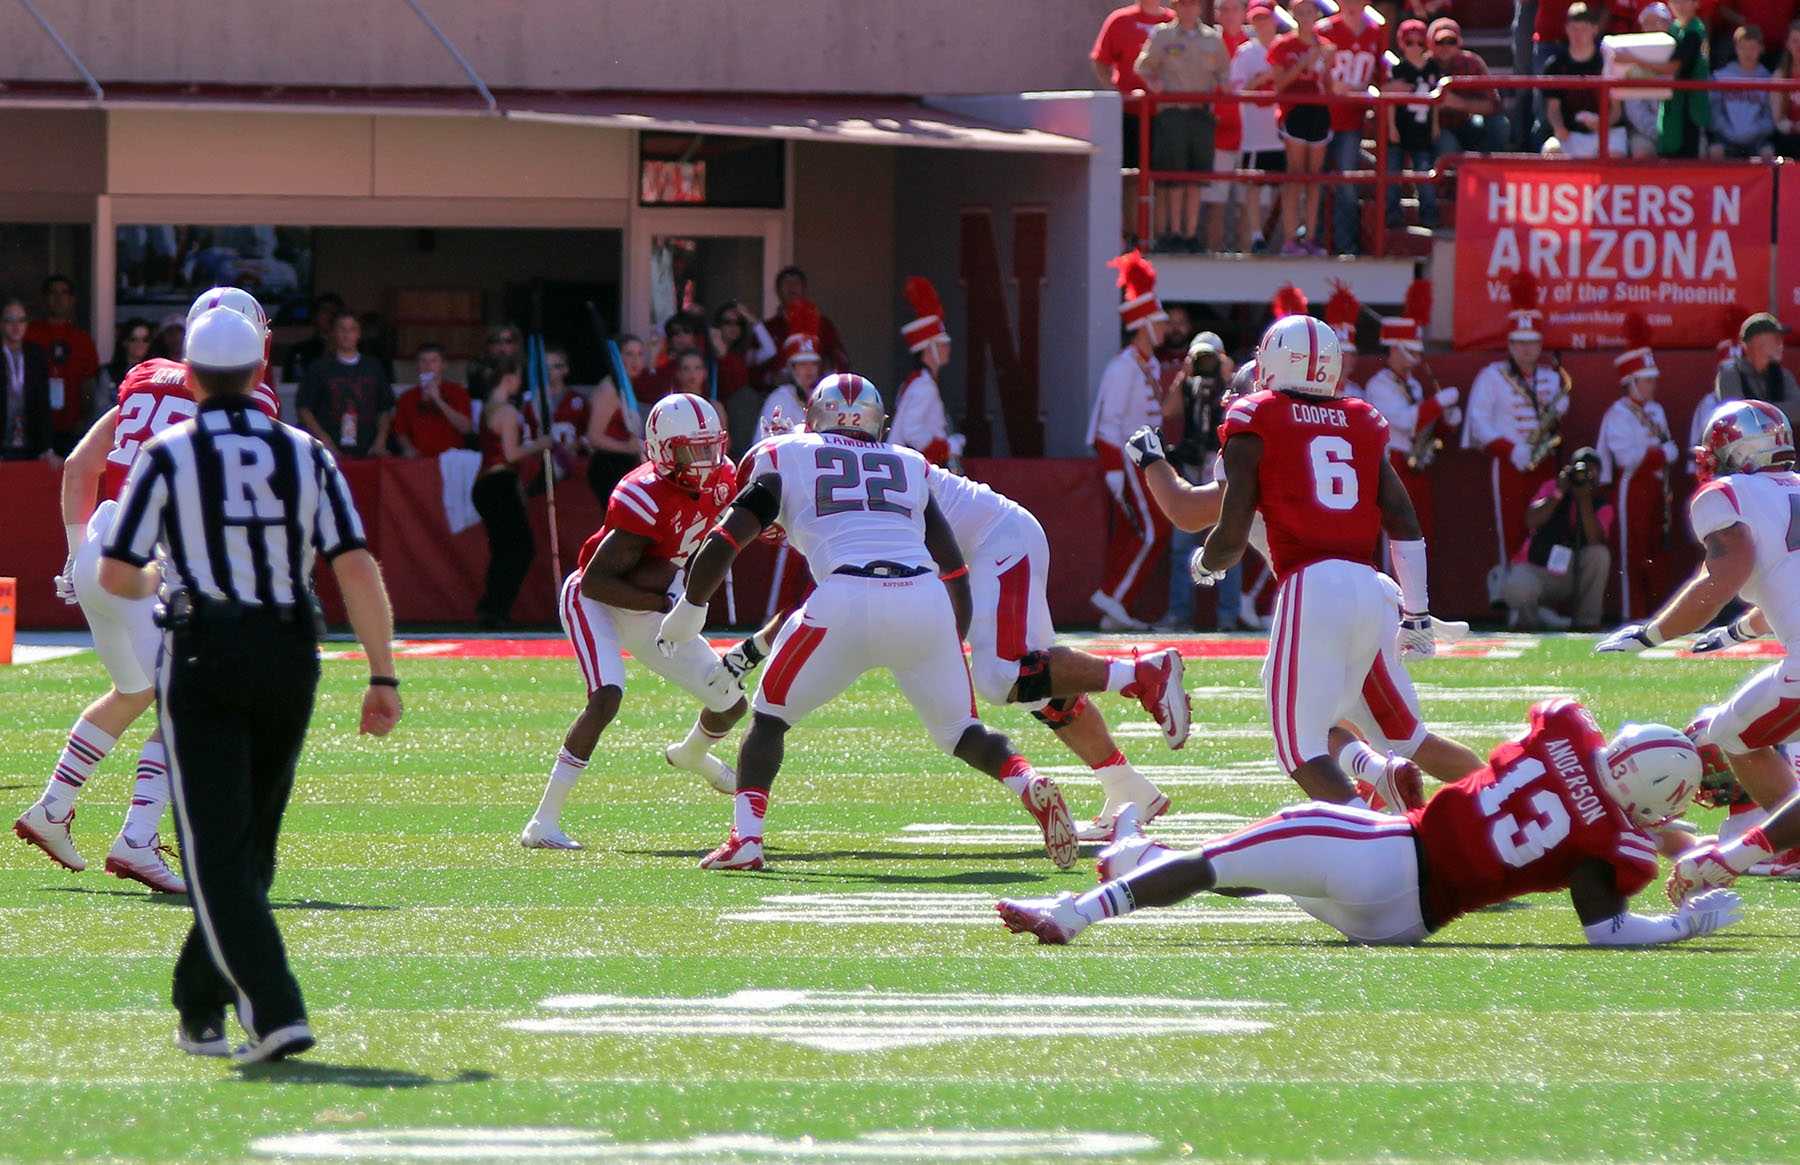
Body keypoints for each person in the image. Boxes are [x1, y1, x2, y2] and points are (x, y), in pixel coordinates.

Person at [97, 305, 401, 1064]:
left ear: (192, 376)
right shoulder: (306, 451)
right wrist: (382, 671)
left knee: (216, 850)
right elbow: (356, 563)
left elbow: (115, 571)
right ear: (263, 371)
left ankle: (273, 1010)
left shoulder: (168, 451)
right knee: (253, 843)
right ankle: (201, 1004)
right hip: (291, 648)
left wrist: (163, 574)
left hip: (204, 645)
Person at [655, 375, 1078, 873]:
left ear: (812, 417)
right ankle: (1027, 781)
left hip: (845, 595)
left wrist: (689, 611)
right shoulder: (907, 462)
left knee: (769, 719)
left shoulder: (783, 453)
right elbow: (954, 567)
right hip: (922, 596)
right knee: (961, 730)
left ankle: (746, 839)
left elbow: (726, 542)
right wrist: (951, 634)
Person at [995, 701, 1740, 952]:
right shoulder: (1618, 846)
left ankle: (1074, 912)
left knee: (1227, 861)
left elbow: (1562, 741)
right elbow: (1607, 931)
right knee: (1267, 870)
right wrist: (1686, 925)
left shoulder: (1568, 731)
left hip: (1389, 852)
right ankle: (1136, 855)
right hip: (1406, 921)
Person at [13, 288, 282, 894]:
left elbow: (82, 466)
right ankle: (137, 839)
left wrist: (75, 549)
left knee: (135, 690)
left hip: (101, 549)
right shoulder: (251, 398)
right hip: (156, 564)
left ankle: (52, 810)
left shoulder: (143, 377)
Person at [1180, 314, 1473, 802]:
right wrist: (1417, 612)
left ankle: (1364, 837)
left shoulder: (1257, 417)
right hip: (1371, 585)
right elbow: (1403, 519)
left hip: (1311, 586)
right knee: (1403, 737)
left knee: (1298, 748)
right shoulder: (1361, 418)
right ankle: (1502, 801)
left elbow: (1230, 534)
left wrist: (1206, 566)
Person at [521, 394, 746, 849]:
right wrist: (667, 603)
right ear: (664, 450)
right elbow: (596, 583)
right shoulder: (641, 494)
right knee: (607, 696)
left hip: (654, 602)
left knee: (731, 703)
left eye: (710, 447)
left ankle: (692, 755)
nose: (706, 460)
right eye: (692, 450)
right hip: (597, 602)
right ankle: (542, 824)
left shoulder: (724, 478)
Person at [1598, 400, 1800, 824]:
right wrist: (1736, 634)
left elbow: (1720, 582)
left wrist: (1651, 633)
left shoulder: (1727, 495)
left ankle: (1791, 846)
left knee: (1731, 734)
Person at [1463, 281, 1569, 601]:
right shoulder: (1492, 376)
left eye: (1533, 343)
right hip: (1509, 465)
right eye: (1520, 343)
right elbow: (1479, 423)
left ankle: (1539, 597)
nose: (1526, 349)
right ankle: (1510, 597)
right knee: (1509, 528)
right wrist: (1511, 449)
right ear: (1509, 344)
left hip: (1543, 462)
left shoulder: (1552, 377)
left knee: (1546, 528)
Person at [1088, 252, 1174, 631]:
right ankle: (1115, 597)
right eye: (1157, 322)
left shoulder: (1150, 365)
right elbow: (1109, 424)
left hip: (1149, 455)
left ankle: (1114, 599)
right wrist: (1113, 471)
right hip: (1129, 455)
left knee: (1147, 530)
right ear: (1142, 324)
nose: (1164, 328)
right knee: (1154, 529)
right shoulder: (1122, 367)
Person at [1362, 291, 1460, 542]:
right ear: (1395, 349)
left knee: (1421, 529)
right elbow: (1406, 421)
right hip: (1393, 462)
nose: (1416, 358)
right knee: (1394, 532)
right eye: (1410, 351)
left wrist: (1447, 421)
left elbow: (1423, 427)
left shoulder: (1415, 385)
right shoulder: (1379, 384)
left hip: (1418, 463)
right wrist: (1438, 402)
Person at [1134, 0, 1231, 253]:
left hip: (1201, 113)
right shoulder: (1163, 35)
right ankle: (1173, 232)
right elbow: (1143, 67)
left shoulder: (1212, 38)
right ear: (1176, 8)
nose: (1188, 9)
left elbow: (1225, 73)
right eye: (1183, 4)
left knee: (1196, 178)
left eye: (1192, 4)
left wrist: (1222, 88)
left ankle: (1190, 234)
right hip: (1173, 112)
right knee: (1173, 176)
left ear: (1199, 8)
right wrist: (1155, 86)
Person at [1160, 331, 1239, 631]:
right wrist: (1184, 374)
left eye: (1211, 358)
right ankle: (1180, 614)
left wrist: (1227, 376)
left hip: (1221, 465)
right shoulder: (1189, 385)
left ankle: (1228, 616)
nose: (1206, 364)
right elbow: (1169, 411)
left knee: (1230, 539)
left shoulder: (1233, 385)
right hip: (1192, 464)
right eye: (1201, 358)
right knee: (1182, 543)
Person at [1597, 339, 1678, 620]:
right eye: (1646, 380)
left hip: (1658, 488)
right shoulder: (1618, 414)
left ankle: (1657, 616)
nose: (1652, 386)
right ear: (1631, 381)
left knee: (1657, 554)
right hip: (1632, 488)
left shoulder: (1656, 411)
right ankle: (1632, 615)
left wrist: (1663, 455)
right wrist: (1661, 454)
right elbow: (1626, 458)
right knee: (1631, 553)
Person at [472, 359, 552, 628]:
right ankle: (496, 608)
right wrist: (540, 443)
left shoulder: (487, 408)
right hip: (499, 482)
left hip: (488, 483)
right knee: (519, 549)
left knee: (504, 549)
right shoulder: (506, 411)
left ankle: (492, 608)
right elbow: (510, 453)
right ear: (508, 379)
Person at [1501, 447, 1615, 630]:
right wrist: (1558, 493)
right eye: (1581, 469)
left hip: (1574, 574)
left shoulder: (1602, 505)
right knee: (1518, 584)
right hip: (1541, 569)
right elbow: (1531, 520)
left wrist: (1583, 498)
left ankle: (1586, 624)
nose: (1585, 475)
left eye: (1591, 470)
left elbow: (1595, 539)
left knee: (1599, 554)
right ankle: (1527, 623)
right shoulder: (1551, 487)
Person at [1093, 0, 1177, 240]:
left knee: (1163, 177)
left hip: (1165, 114)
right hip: (1130, 113)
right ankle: (1132, 235)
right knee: (1131, 176)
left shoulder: (1175, 20)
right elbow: (1100, 61)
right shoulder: (1120, 20)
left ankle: (1161, 236)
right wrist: (1116, 94)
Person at [1268, 0, 1336, 255]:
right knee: (1295, 174)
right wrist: (1303, 63)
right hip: (1294, 112)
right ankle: (1289, 238)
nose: (1305, 17)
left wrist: (1327, 66)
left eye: (1310, 12)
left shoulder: (1327, 47)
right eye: (1300, 13)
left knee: (1314, 178)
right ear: (1293, 15)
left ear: (1317, 15)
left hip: (1319, 112)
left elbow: (1329, 86)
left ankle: (1309, 237)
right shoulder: (1283, 45)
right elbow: (1279, 84)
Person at [1319, 0, 1385, 256]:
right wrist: (1329, 82)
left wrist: (1364, 91)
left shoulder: (1374, 32)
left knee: (1347, 182)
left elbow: (1379, 74)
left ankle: (1345, 244)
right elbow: (1315, 71)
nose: (1351, 4)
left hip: (1352, 119)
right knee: (1316, 182)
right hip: (1322, 117)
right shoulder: (1325, 30)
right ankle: (1315, 240)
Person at [1232, 3, 1290, 254]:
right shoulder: (1246, 53)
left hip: (1283, 133)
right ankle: (1255, 237)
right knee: (1253, 186)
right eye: (1257, 19)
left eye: (1266, 18)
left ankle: (1291, 239)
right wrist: (1263, 78)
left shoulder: (1287, 49)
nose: (1262, 24)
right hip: (1255, 134)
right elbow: (1236, 92)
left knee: (1289, 185)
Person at [296, 313, 394, 459]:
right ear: (334, 333)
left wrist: (380, 442)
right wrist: (325, 442)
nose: (347, 334)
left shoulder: (374, 367)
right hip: (329, 452)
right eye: (342, 329)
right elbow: (304, 409)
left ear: (359, 333)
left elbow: (385, 408)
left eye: (352, 329)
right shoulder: (319, 368)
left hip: (368, 450)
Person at [1541, 5, 1628, 157]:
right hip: (1571, 133)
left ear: (1595, 29)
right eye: (1574, 28)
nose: (1578, 34)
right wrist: (1559, 127)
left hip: (1608, 131)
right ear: (1566, 29)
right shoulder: (1555, 65)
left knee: (1615, 156)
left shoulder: (1608, 62)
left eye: (1584, 28)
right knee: (1551, 151)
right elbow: (1553, 107)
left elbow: (1616, 108)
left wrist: (1603, 124)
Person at [27, 274, 100, 455]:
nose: (58, 298)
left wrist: (85, 421)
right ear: (44, 299)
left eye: (64, 293)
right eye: (53, 293)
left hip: (72, 428)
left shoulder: (82, 339)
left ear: (72, 299)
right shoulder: (29, 334)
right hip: (35, 428)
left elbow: (89, 384)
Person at [891, 277, 956, 465]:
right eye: (942, 344)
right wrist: (947, 448)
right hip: (912, 472)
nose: (947, 348)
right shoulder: (923, 386)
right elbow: (912, 431)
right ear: (929, 349)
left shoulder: (920, 382)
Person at [1384, 20, 1442, 228]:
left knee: (1424, 173)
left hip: (1423, 129)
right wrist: (1391, 127)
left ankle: (1429, 215)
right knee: (1392, 174)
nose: (1415, 47)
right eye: (1410, 42)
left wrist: (1435, 124)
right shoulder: (1398, 69)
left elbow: (1436, 100)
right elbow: (1389, 101)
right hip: (1401, 127)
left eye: (1420, 42)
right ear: (1401, 43)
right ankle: (1392, 216)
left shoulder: (1433, 67)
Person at [1430, 19, 1509, 157]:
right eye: (1440, 42)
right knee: (1448, 145)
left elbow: (1494, 105)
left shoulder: (1472, 63)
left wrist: (1459, 103)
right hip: (1436, 128)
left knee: (1499, 124)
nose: (1445, 47)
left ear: (1459, 42)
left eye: (1451, 41)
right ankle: (1449, 177)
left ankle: (1491, 170)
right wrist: (1435, 105)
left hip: (1467, 122)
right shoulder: (1423, 65)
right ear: (1430, 44)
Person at [585, 335, 646, 504]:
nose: (636, 360)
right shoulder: (609, 388)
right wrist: (627, 447)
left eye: (640, 354)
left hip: (623, 464)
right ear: (618, 358)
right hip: (607, 466)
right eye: (629, 354)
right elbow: (594, 436)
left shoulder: (626, 387)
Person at [1715, 312, 1800, 431]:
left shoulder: (1784, 375)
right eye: (1776, 339)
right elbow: (1739, 418)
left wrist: (1758, 412)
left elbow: (1797, 410)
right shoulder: (1730, 374)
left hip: (1776, 447)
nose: (1781, 345)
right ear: (1756, 342)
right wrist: (1778, 413)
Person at [711, 301, 776, 451]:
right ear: (718, 325)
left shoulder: (744, 355)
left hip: (739, 418)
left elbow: (770, 350)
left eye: (739, 323)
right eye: (727, 322)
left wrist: (753, 321)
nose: (733, 327)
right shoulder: (706, 352)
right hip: (714, 414)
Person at [390, 342, 473, 459]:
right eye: (423, 361)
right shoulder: (407, 397)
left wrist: (438, 400)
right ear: (417, 366)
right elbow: (400, 431)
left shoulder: (458, 392)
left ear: (443, 365)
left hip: (450, 460)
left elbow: (466, 428)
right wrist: (408, 449)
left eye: (434, 361)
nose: (428, 366)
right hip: (418, 461)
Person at [762, 267, 849, 375]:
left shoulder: (823, 324)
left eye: (796, 283)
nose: (792, 287)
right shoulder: (768, 328)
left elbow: (840, 359)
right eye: (787, 282)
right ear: (778, 290)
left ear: (804, 288)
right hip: (779, 388)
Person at [0, 297, 55, 464]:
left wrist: (47, 448)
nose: (16, 326)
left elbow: (43, 403)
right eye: (10, 320)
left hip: (30, 444)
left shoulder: (36, 354)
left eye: (21, 320)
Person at [1712, 25, 1778, 158]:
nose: (1748, 53)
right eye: (1743, 47)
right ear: (1736, 48)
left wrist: (1753, 132)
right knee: (1714, 150)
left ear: (1761, 48)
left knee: (1768, 152)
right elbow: (1715, 112)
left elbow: (1770, 116)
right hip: (1726, 138)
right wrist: (1729, 132)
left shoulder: (1768, 78)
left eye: (1753, 48)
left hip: (1757, 140)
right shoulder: (1721, 77)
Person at [762, 299, 825, 437]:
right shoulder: (779, 398)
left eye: (813, 363)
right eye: (802, 364)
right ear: (791, 368)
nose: (809, 369)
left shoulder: (822, 399)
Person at [1656, 0, 1710, 158]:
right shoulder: (1674, 29)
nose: (1680, 5)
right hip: (1672, 105)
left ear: (1696, 3)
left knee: (1687, 161)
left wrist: (1633, 60)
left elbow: (1673, 68)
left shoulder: (1694, 31)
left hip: (1690, 107)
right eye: (1675, 1)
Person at [280, 292, 343, 383]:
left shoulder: (352, 348)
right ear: (315, 316)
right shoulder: (298, 351)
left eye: (335, 311)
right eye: (325, 310)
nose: (331, 315)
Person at [100, 319, 153, 400]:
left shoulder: (156, 372)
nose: (140, 344)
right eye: (133, 339)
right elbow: (102, 408)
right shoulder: (109, 373)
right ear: (124, 342)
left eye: (145, 340)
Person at [1772, 18, 1800, 156]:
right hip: (1787, 136)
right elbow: (1776, 117)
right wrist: (1786, 125)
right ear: (1787, 44)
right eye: (1795, 41)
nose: (1798, 46)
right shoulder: (1780, 74)